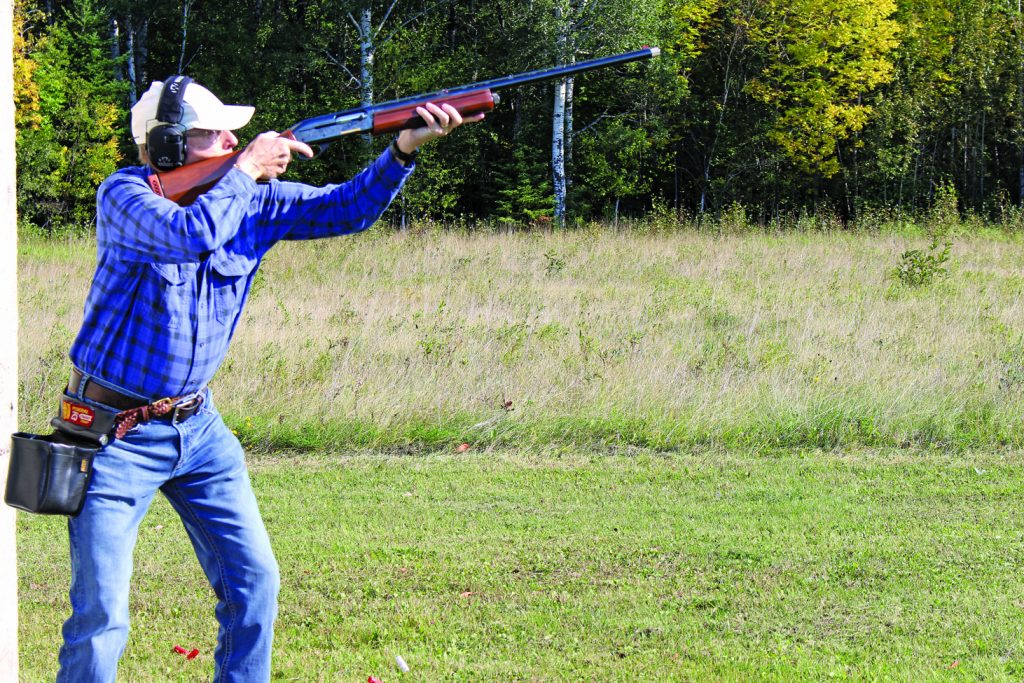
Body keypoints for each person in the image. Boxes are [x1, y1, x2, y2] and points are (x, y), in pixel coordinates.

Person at [55, 76, 481, 683]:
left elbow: (346, 209)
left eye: (235, 133)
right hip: (112, 434)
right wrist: (249, 167)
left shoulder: (246, 197)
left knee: (255, 583)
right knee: (103, 619)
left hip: (199, 429)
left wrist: (402, 151)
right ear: (169, 147)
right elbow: (191, 235)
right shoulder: (125, 197)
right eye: (215, 134)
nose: (234, 138)